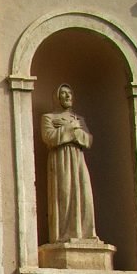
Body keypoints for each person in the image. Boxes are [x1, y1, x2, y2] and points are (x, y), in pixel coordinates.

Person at [41, 83, 96, 242]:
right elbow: (49, 137)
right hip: (60, 160)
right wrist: (72, 128)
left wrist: (70, 129)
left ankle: (85, 234)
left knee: (84, 194)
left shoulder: (79, 119)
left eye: (69, 93)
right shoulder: (49, 117)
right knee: (65, 194)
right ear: (57, 97)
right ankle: (65, 235)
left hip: (78, 159)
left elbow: (88, 140)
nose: (67, 96)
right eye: (63, 93)